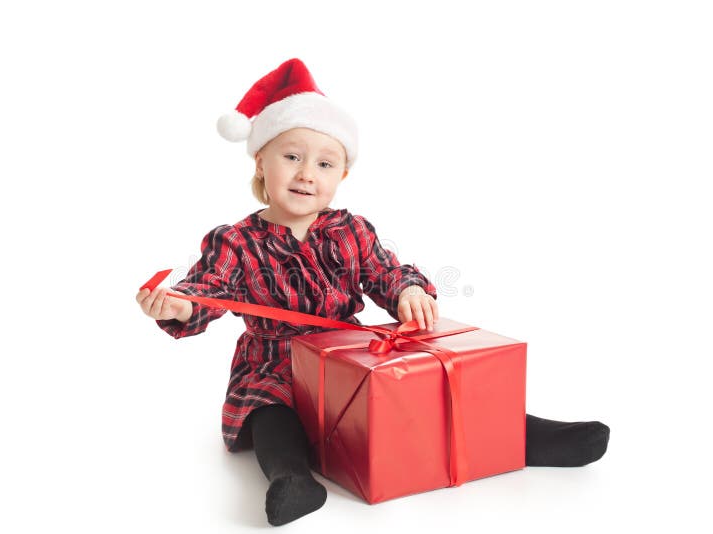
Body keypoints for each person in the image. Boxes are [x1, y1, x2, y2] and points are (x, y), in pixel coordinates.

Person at [135, 58, 610, 526]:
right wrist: (179, 304)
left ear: (341, 176)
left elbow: (387, 272)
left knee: (414, 392)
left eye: (324, 163)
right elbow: (206, 289)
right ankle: (291, 477)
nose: (306, 174)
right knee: (270, 410)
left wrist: (407, 292)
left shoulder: (351, 229)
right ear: (261, 161)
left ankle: (522, 436)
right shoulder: (235, 240)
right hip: (275, 358)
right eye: (291, 157)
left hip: (345, 353)